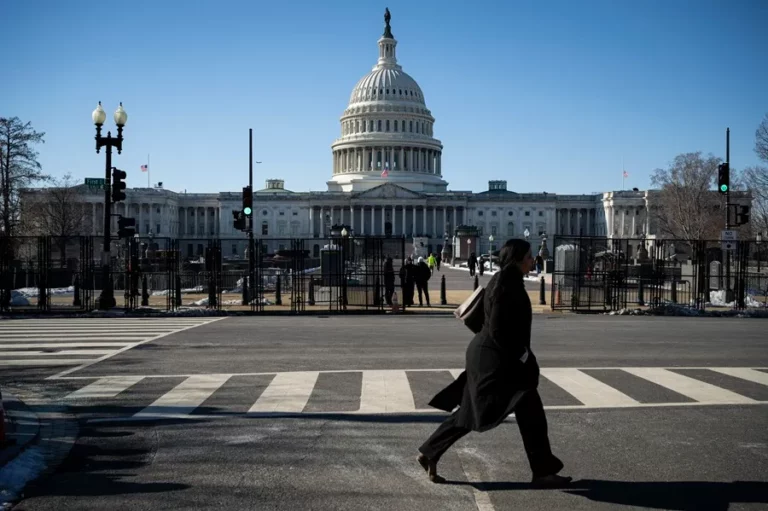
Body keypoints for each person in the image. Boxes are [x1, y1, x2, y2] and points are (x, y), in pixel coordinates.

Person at [416, 238, 571, 488]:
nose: (534, 260)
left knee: (519, 411)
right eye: (530, 256)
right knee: (480, 411)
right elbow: (499, 329)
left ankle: (542, 470)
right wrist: (522, 356)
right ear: (519, 258)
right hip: (496, 359)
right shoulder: (506, 283)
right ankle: (542, 471)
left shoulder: (508, 280)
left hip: (493, 356)